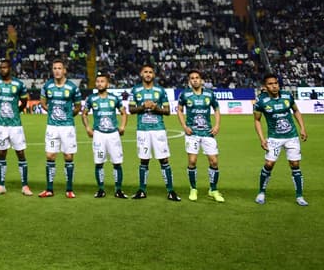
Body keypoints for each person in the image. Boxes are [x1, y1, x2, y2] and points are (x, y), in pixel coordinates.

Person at [253, 73, 309, 206]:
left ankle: (299, 196)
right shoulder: (260, 101)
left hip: (292, 136)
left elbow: (296, 111)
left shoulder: (287, 96)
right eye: (270, 84)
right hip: (274, 138)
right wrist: (262, 139)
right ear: (265, 87)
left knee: (295, 165)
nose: (274, 86)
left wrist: (302, 128)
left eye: (276, 83)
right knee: (269, 165)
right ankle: (261, 192)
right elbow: (257, 120)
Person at [131, 63, 180, 201]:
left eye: (150, 72)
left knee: (164, 159)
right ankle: (142, 190)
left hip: (158, 130)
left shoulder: (160, 91)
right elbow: (131, 110)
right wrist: (142, 106)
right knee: (144, 160)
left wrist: (155, 107)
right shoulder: (135, 90)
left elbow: (167, 111)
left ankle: (171, 191)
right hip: (143, 130)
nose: (148, 74)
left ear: (154, 75)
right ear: (141, 74)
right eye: (145, 72)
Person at [0, 59, 34, 196]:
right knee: (1, 153)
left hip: (15, 125)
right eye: (0, 67)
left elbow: (24, 101)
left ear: (10, 69)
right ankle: (1, 185)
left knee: (20, 153)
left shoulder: (18, 84)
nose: (2, 69)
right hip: (0, 125)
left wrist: (17, 111)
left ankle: (25, 186)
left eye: (5, 67)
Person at [177, 69, 224, 202]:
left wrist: (217, 125)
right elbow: (179, 110)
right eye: (192, 78)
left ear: (201, 80)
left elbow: (216, 109)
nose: (195, 80)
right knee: (192, 161)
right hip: (192, 134)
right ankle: (193, 188)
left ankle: (213, 189)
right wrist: (184, 127)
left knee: (214, 161)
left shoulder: (209, 94)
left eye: (197, 77)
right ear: (189, 81)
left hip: (208, 133)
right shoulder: (185, 94)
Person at [81, 72, 128, 198]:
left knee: (117, 163)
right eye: (98, 81)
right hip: (99, 135)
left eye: (102, 81)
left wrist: (122, 126)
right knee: (99, 162)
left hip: (113, 134)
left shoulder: (114, 98)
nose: (99, 83)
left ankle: (118, 190)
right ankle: (101, 189)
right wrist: (87, 128)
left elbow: (123, 113)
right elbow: (84, 114)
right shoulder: (91, 99)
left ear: (107, 83)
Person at [39, 59, 81, 198]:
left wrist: (69, 116)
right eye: (54, 68)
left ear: (64, 71)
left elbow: (78, 106)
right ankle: (49, 189)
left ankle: (69, 189)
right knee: (50, 156)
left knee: (68, 156)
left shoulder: (72, 87)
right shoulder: (47, 86)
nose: (57, 70)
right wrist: (49, 110)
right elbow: (43, 102)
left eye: (59, 68)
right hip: (52, 127)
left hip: (67, 127)